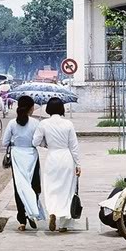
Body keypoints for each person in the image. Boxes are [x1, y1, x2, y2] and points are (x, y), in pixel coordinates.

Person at [33, 97, 81, 233]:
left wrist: (46, 144)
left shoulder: (43, 124)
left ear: (48, 109)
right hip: (66, 158)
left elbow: (35, 141)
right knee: (67, 190)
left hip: (52, 157)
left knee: (51, 188)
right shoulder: (68, 124)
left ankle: (52, 211)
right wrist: (78, 164)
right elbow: (74, 146)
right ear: (62, 109)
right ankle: (64, 224)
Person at [2, 96, 43, 231]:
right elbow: (38, 142)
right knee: (34, 185)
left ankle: (22, 220)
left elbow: (5, 142)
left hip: (17, 157)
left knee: (19, 187)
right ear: (31, 108)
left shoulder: (13, 123)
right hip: (32, 156)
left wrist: (16, 142)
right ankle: (33, 212)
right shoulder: (36, 123)